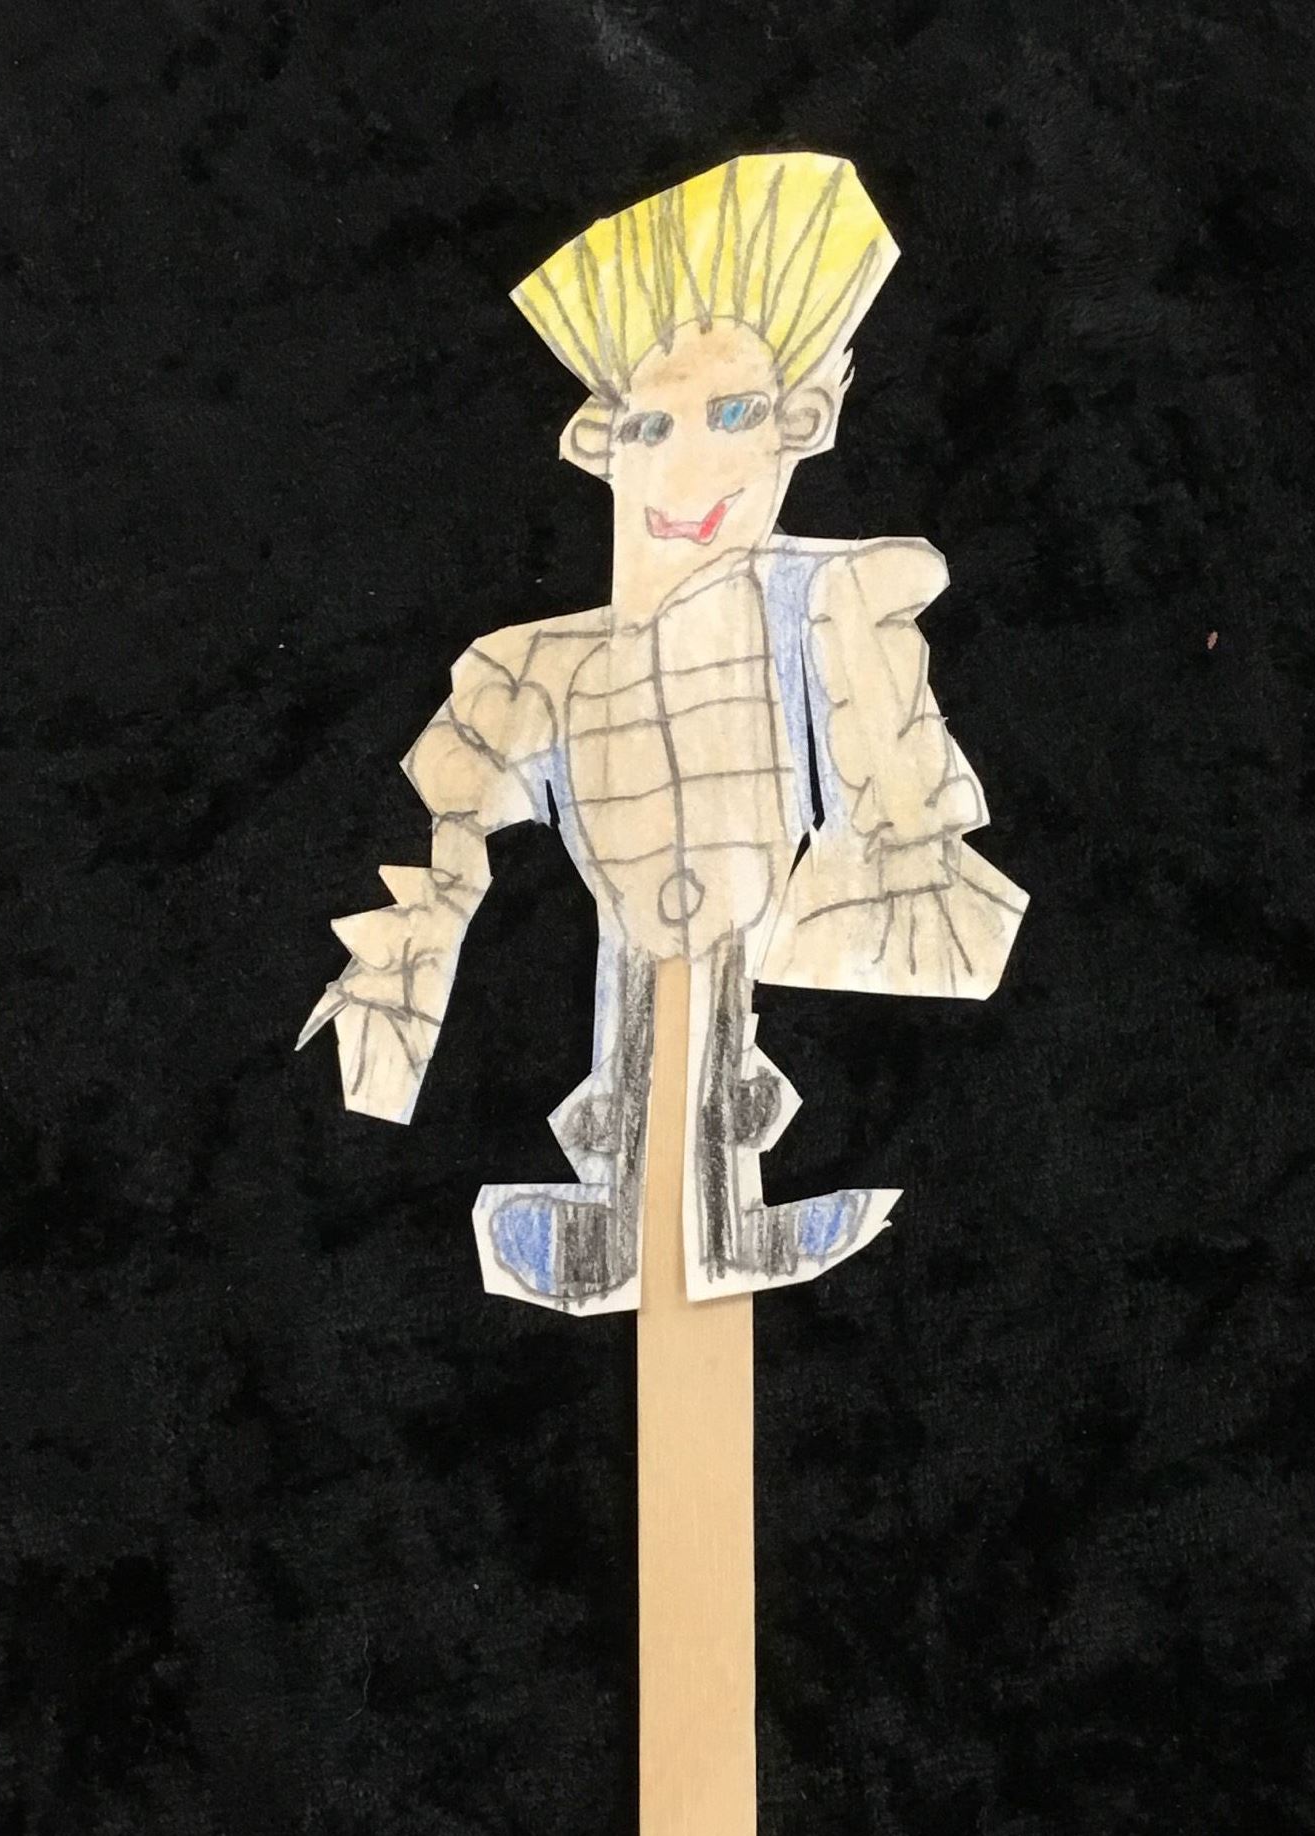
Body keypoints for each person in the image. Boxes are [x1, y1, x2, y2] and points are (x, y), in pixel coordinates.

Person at [299, 154, 1026, 1314]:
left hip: (747, 994)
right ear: (602, 441)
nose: (684, 464)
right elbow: (440, 876)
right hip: (630, 1006)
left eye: (732, 413)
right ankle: (648, 1222)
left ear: (802, 422)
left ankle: (706, 1221)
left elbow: (919, 871)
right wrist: (382, 1057)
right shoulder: (529, 670)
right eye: (649, 423)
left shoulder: (832, 604)